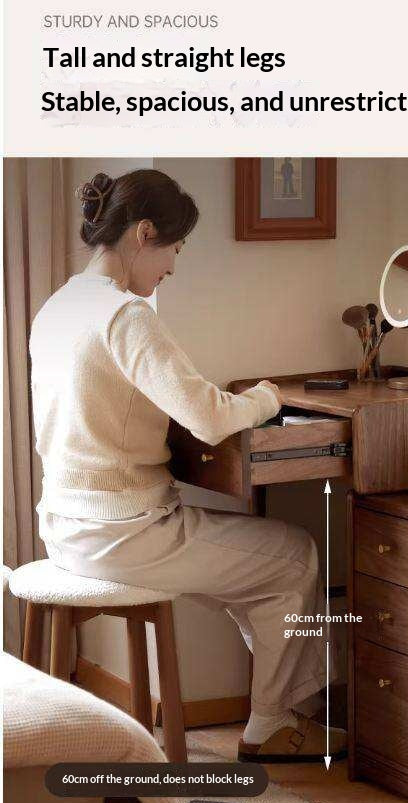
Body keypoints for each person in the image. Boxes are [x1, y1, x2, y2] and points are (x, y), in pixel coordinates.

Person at [30, 169, 346, 763]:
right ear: (144, 233)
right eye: (174, 248)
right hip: (125, 534)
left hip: (66, 526)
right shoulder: (126, 316)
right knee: (295, 555)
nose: (172, 266)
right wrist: (269, 397)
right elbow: (208, 416)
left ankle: (280, 707)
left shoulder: (58, 305)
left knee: (256, 566)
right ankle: (273, 723)